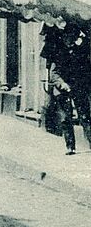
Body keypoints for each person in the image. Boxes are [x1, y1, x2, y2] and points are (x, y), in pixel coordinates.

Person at [42, 23, 91, 155]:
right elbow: (54, 74)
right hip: (63, 89)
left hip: (78, 88)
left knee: (85, 116)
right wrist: (62, 84)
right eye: (69, 36)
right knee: (65, 118)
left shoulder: (80, 51)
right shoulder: (58, 52)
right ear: (64, 36)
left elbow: (85, 69)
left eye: (74, 36)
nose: (71, 39)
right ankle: (70, 146)